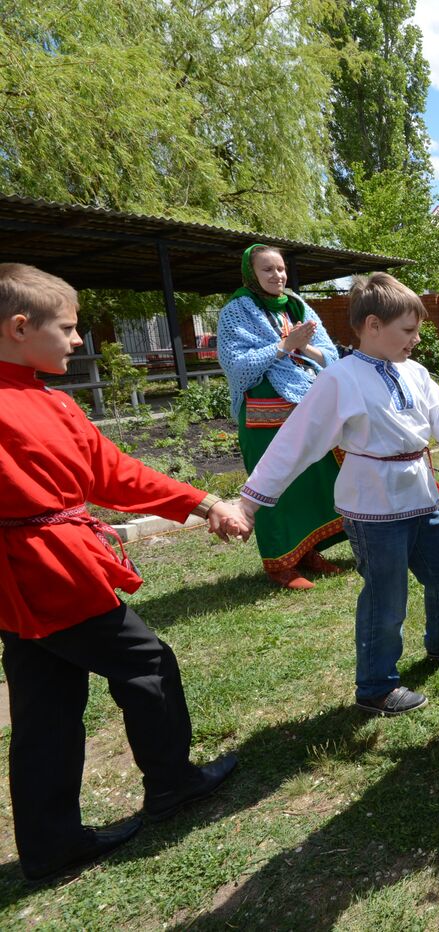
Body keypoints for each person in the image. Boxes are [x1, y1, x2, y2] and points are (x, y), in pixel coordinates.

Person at [0, 264, 247, 882]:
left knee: (46, 703)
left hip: (17, 585)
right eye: (67, 328)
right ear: (20, 327)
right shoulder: (34, 402)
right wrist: (207, 503)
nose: (77, 340)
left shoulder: (48, 399)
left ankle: (50, 843)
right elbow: (112, 476)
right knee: (147, 663)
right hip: (52, 573)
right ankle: (172, 783)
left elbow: (113, 474)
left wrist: (201, 501)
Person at [236, 273, 439, 717]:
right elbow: (296, 441)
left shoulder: (416, 373)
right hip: (374, 507)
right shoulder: (340, 378)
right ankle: (376, 687)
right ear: (373, 326)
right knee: (387, 596)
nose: (417, 339)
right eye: (408, 330)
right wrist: (249, 502)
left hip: (421, 497)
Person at [217, 244, 346, 590]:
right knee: (272, 487)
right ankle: (280, 563)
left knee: (311, 480)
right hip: (263, 417)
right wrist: (284, 346)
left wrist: (305, 347)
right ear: (251, 273)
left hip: (306, 406)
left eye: (281, 268)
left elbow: (330, 355)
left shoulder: (297, 304)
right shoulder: (235, 311)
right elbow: (236, 366)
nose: (278, 275)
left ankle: (308, 551)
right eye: (268, 269)